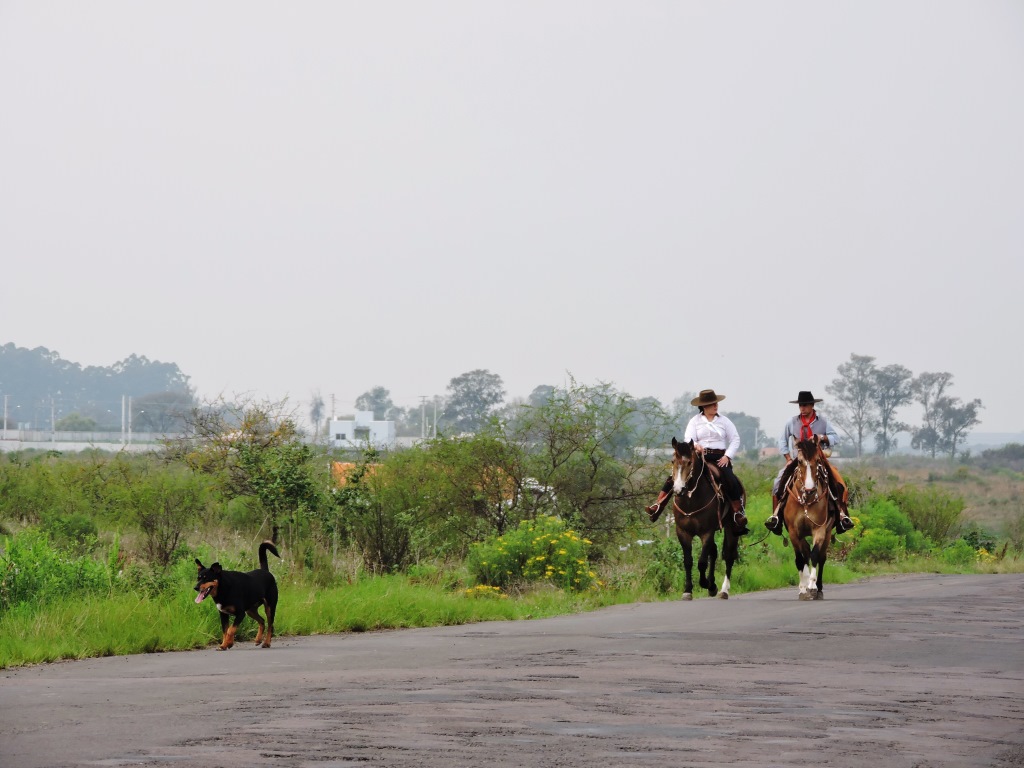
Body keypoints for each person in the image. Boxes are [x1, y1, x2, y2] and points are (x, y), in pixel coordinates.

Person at [646, 389, 749, 535]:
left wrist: (728, 456)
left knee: (731, 480)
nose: (715, 406)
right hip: (699, 457)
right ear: (704, 406)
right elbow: (689, 438)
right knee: (675, 477)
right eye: (712, 404)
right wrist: (695, 446)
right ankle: (657, 506)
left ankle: (737, 513)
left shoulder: (724, 421)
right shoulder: (695, 421)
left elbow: (735, 439)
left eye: (716, 403)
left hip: (719, 457)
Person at [764, 391, 854, 535]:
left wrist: (822, 437)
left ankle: (842, 516)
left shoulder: (823, 421)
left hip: (818, 460)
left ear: (812, 406)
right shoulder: (792, 422)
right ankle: (776, 517)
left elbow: (835, 438)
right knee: (778, 482)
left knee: (837, 482)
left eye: (805, 405)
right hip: (797, 460)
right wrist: (787, 458)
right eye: (800, 405)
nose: (802, 408)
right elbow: (782, 439)